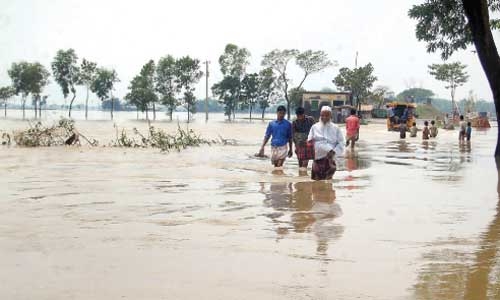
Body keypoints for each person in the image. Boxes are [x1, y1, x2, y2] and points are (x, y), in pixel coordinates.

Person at [307, 106, 345, 180]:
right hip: (317, 158)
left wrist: (333, 152)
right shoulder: (314, 127)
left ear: (330, 116)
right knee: (316, 181)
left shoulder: (336, 128)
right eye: (322, 115)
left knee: (328, 181)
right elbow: (309, 140)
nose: (324, 117)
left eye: (327, 115)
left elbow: (341, 142)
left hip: (330, 159)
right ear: (320, 115)